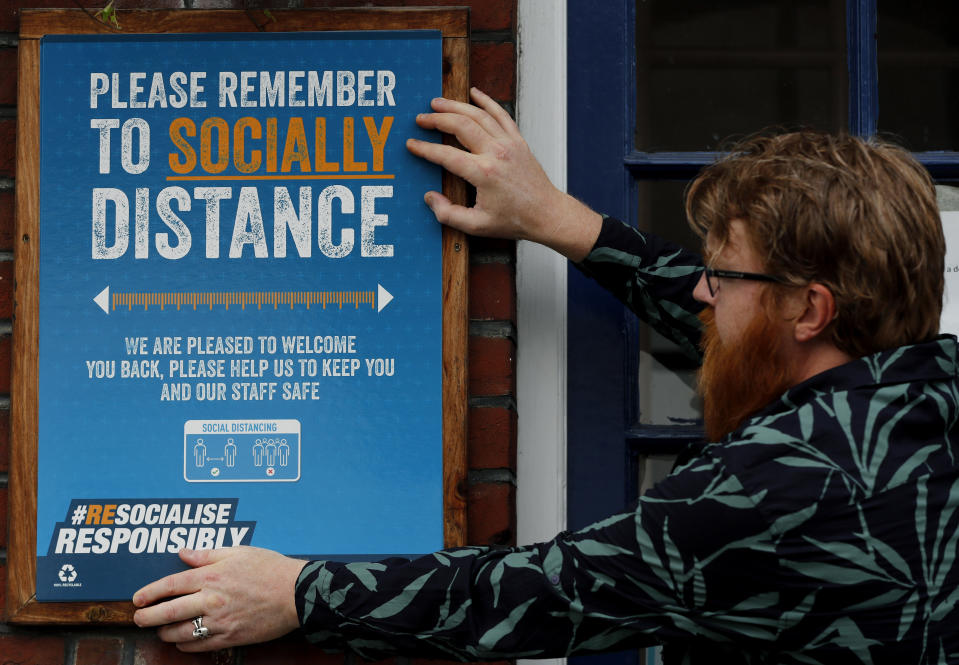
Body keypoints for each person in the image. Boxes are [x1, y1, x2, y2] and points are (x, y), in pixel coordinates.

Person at [132, 88, 959, 664]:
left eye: (722, 273)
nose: (701, 290)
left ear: (809, 309)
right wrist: (563, 222)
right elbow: (735, 321)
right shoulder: (930, 394)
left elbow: (537, 592)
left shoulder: (773, 490)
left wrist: (301, 591)